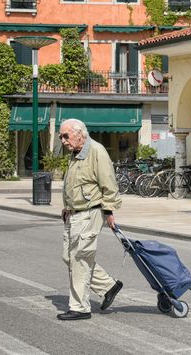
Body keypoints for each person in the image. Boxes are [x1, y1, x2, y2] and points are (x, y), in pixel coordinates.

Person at [56, 118, 123, 321]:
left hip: (89, 212)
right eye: (61, 137)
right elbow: (76, 183)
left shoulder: (96, 151)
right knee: (69, 257)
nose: (63, 140)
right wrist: (67, 206)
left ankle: (80, 307)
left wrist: (109, 210)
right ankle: (108, 286)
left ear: (79, 133)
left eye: (66, 136)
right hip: (74, 213)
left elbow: (108, 183)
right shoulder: (76, 153)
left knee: (80, 259)